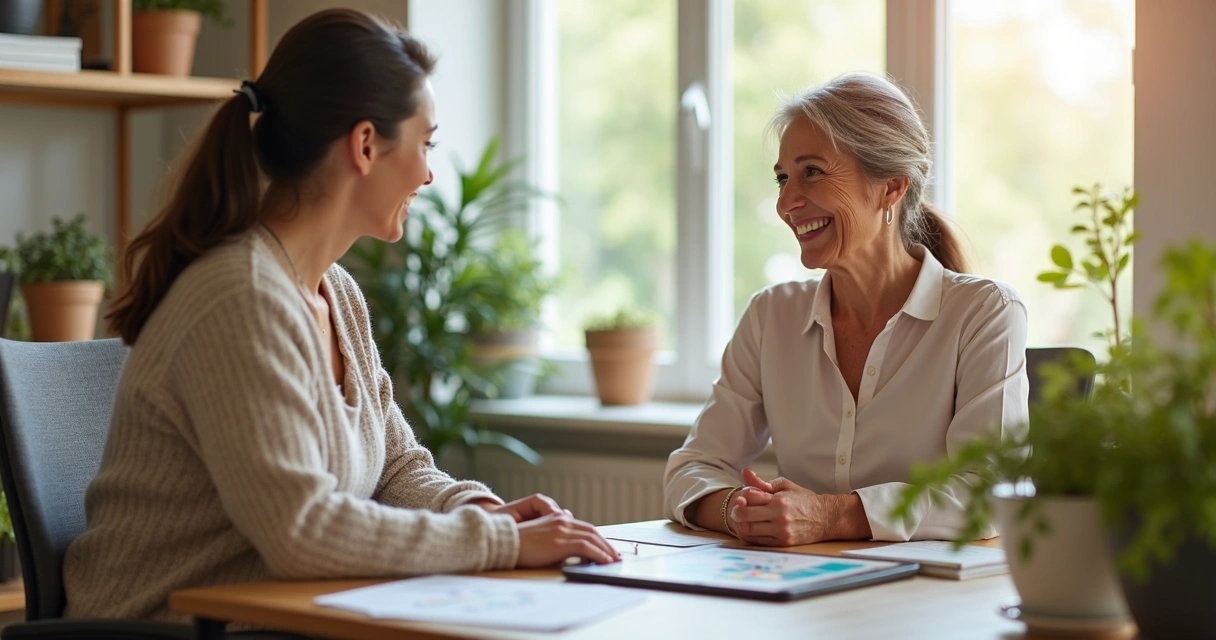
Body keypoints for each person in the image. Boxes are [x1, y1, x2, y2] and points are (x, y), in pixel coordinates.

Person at [63, 9, 618, 623]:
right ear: (364, 145)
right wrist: (501, 545)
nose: (430, 173)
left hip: (271, 623)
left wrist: (484, 513)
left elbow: (397, 468)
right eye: (425, 143)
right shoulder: (239, 299)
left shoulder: (337, 293)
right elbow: (300, 530)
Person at [663, 73, 1029, 546]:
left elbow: (990, 494)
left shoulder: (985, 313)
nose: (785, 203)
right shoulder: (771, 316)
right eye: (782, 178)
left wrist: (832, 516)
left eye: (812, 172)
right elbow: (692, 468)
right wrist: (740, 510)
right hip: (798, 599)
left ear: (891, 188)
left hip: (928, 604)